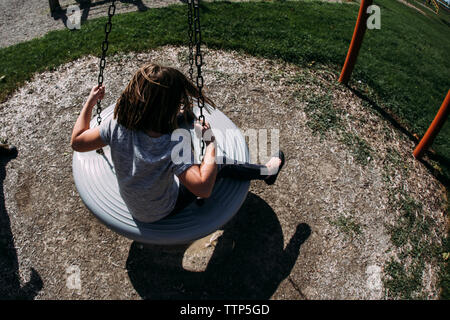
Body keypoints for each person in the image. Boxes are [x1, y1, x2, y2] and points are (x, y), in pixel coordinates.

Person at [70, 63, 285, 223]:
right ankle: (267, 171)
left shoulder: (115, 124)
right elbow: (203, 187)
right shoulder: (174, 144)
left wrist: (90, 102)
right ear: (168, 107)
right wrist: (210, 143)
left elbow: (78, 142)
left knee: (182, 122)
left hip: (134, 204)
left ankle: (184, 117)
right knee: (220, 162)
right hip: (161, 210)